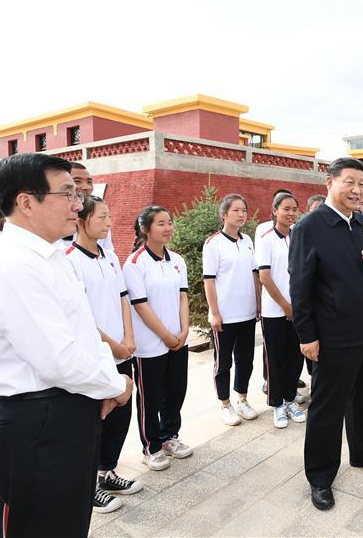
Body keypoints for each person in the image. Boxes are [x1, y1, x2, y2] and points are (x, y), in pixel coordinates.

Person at [0, 153, 132, 538]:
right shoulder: (12, 265)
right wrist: (116, 385)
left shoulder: (49, 257)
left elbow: (82, 334)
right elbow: (59, 359)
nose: (79, 203)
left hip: (66, 413)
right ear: (26, 202)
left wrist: (103, 381)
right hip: (37, 426)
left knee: (68, 526)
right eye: (68, 193)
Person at [288, 157, 363, 511]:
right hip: (334, 333)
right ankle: (320, 475)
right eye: (349, 182)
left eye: (361, 184)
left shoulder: (362, 223)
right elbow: (300, 289)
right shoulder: (310, 228)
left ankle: (362, 451)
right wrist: (307, 337)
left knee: (360, 397)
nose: (356, 189)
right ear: (329, 183)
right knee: (327, 407)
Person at [66, 195, 143, 514]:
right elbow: (80, 316)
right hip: (96, 357)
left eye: (110, 216)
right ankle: (89, 485)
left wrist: (128, 337)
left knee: (120, 417)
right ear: (82, 221)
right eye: (102, 217)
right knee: (96, 421)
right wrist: (113, 344)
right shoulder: (70, 260)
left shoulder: (110, 256)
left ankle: (107, 472)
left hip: (122, 351)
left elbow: (123, 298)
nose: (109, 222)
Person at [124, 205, 193, 472]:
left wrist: (183, 330)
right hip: (150, 345)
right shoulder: (134, 263)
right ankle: (151, 446)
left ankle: (169, 437)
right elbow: (141, 306)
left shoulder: (176, 260)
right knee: (150, 398)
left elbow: (183, 296)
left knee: (176, 392)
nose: (168, 228)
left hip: (178, 339)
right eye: (161, 224)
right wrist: (166, 336)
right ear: (145, 229)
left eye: (170, 222)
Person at [202, 194, 262, 427]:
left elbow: (255, 275)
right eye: (236, 210)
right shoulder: (213, 243)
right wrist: (215, 313)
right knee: (223, 362)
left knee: (246, 359)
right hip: (225, 315)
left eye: (244, 210)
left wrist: (258, 303)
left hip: (247, 313)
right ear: (224, 214)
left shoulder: (247, 240)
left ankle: (242, 399)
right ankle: (225, 404)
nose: (241, 214)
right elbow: (209, 281)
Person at [258, 193, 308, 428]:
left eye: (294, 209)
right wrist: (286, 306)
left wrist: (297, 306)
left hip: (298, 309)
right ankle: (277, 404)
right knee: (275, 359)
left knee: (294, 357)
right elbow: (265, 277)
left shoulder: (299, 237)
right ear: (275, 210)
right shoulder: (266, 238)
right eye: (286, 208)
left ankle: (290, 399)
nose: (290, 213)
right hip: (274, 311)